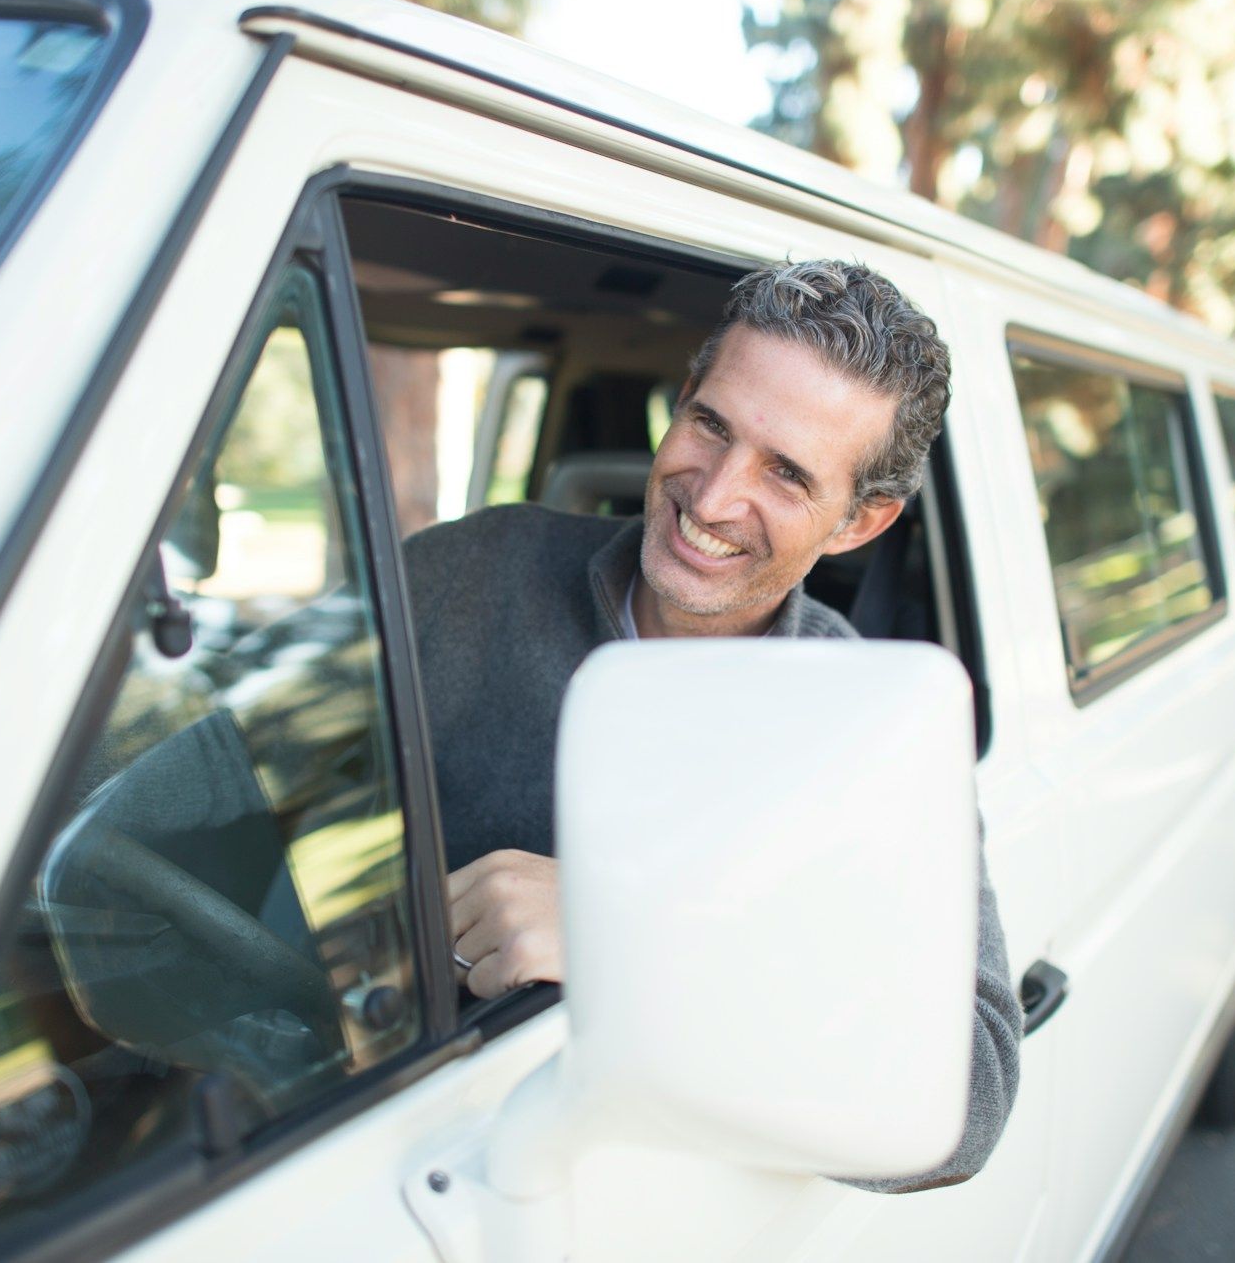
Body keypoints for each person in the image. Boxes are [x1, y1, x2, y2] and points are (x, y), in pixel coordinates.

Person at [401, 259, 1020, 1191]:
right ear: (683, 397)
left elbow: (969, 1096)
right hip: (366, 1155)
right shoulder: (471, 573)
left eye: (786, 473)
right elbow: (196, 798)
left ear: (861, 522)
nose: (715, 497)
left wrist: (637, 942)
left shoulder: (874, 732)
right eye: (710, 425)